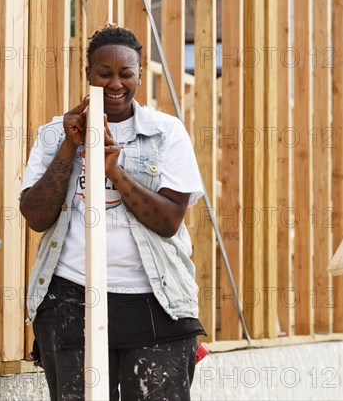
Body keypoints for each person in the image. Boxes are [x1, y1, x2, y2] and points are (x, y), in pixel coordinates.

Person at [20, 24, 206, 400]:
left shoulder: (166, 133)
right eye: (104, 74)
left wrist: (114, 172)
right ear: (89, 73)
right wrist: (68, 149)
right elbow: (36, 217)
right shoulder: (54, 135)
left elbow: (169, 221)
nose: (115, 84)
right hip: (70, 301)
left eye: (126, 74)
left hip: (156, 303)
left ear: (139, 73)